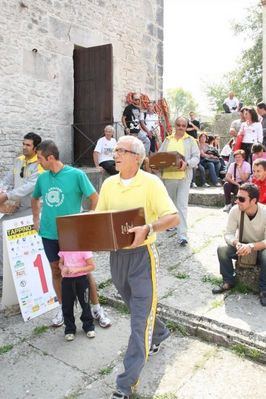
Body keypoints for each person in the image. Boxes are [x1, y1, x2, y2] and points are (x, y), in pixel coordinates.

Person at [95, 135, 179, 399]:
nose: (116, 153)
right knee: (136, 308)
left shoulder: (151, 183)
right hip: (117, 257)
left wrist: (149, 227)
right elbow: (100, 218)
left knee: (139, 321)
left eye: (122, 150)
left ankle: (125, 383)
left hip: (143, 257)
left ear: (137, 157)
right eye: (116, 149)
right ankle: (161, 332)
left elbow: (173, 217)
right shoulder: (109, 184)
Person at [31, 140, 111, 328]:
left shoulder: (76, 175)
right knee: (56, 270)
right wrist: (36, 220)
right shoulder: (42, 178)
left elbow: (94, 197)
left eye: (40, 159)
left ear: (50, 158)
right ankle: (63, 308)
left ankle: (96, 307)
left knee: (84, 272)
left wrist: (88, 221)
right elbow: (35, 198)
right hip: (49, 233)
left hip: (73, 234)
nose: (38, 163)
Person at [212, 183, 266, 306]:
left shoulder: (265, 212)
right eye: (236, 198)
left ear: (253, 201)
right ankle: (228, 281)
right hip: (241, 246)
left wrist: (251, 246)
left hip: (259, 248)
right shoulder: (235, 210)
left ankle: (264, 290)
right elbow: (228, 234)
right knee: (222, 249)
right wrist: (237, 243)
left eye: (241, 199)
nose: (237, 201)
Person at [0, 132, 42, 278]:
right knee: (2, 230)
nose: (24, 147)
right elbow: (7, 180)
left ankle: (21, 275)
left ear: (36, 148)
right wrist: (2, 189)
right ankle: (4, 274)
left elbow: (29, 187)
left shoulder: (40, 164)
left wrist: (7, 196)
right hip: (17, 206)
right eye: (23, 144)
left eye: (28, 145)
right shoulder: (18, 160)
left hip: (32, 209)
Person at [159, 117, 200, 246]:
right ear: (174, 125)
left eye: (183, 125)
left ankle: (182, 235)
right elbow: (160, 155)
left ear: (186, 126)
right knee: (170, 205)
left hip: (184, 177)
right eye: (178, 125)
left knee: (182, 205)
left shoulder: (191, 140)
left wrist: (187, 163)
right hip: (168, 176)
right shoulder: (167, 139)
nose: (181, 127)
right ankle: (171, 224)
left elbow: (196, 158)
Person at [58, 250, 96, 341]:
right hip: (67, 281)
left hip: (82, 280)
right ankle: (69, 329)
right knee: (67, 305)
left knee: (85, 304)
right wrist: (62, 268)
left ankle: (88, 326)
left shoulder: (84, 249)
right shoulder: (64, 248)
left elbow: (92, 266)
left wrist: (77, 270)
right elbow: (60, 262)